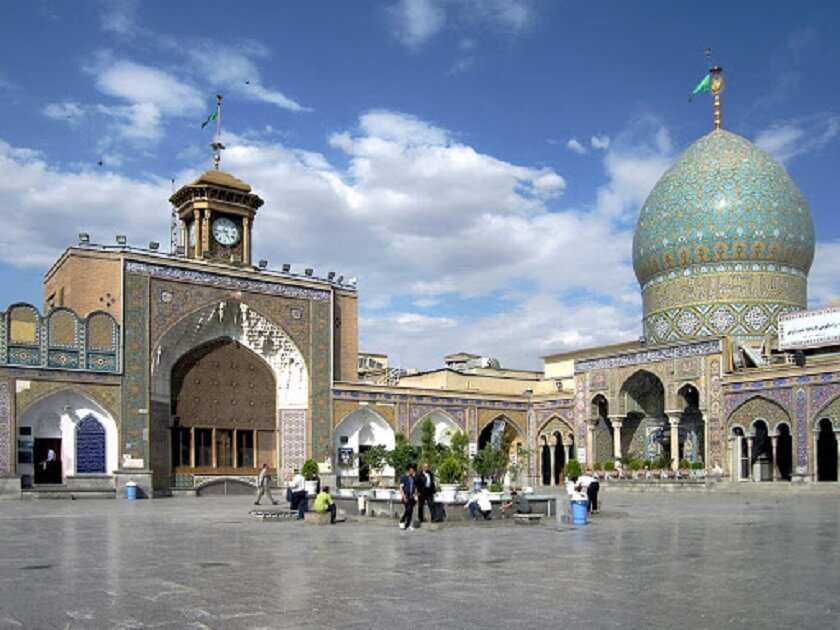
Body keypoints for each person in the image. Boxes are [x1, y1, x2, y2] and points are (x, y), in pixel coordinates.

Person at [414, 461, 436, 526]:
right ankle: (420, 518)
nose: (426, 468)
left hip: (429, 491)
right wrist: (416, 491)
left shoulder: (430, 474)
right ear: (422, 467)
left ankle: (433, 518)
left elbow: (432, 482)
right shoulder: (419, 474)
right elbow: (416, 483)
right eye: (425, 467)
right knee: (420, 505)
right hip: (422, 491)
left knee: (431, 503)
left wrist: (434, 490)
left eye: (427, 467)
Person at [398, 464, 417, 530]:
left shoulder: (413, 478)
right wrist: (403, 496)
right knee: (408, 509)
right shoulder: (404, 478)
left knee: (410, 511)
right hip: (406, 496)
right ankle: (402, 520)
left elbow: (415, 488)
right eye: (411, 470)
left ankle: (408, 524)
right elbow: (401, 488)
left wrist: (415, 495)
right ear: (408, 471)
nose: (412, 472)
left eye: (413, 470)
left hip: (412, 496)